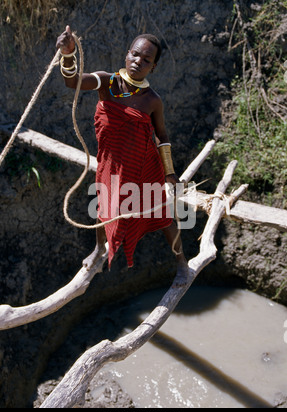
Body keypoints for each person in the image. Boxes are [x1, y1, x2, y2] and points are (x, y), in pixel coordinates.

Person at [56, 26, 189, 286]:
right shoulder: (107, 81)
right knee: (102, 207)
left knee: (164, 218)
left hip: (144, 167)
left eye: (147, 59)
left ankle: (182, 264)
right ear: (127, 54)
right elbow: (72, 82)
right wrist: (69, 54)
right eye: (135, 54)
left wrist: (170, 173)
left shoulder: (152, 100)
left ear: (154, 67)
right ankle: (98, 250)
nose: (138, 61)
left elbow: (162, 137)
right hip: (111, 164)